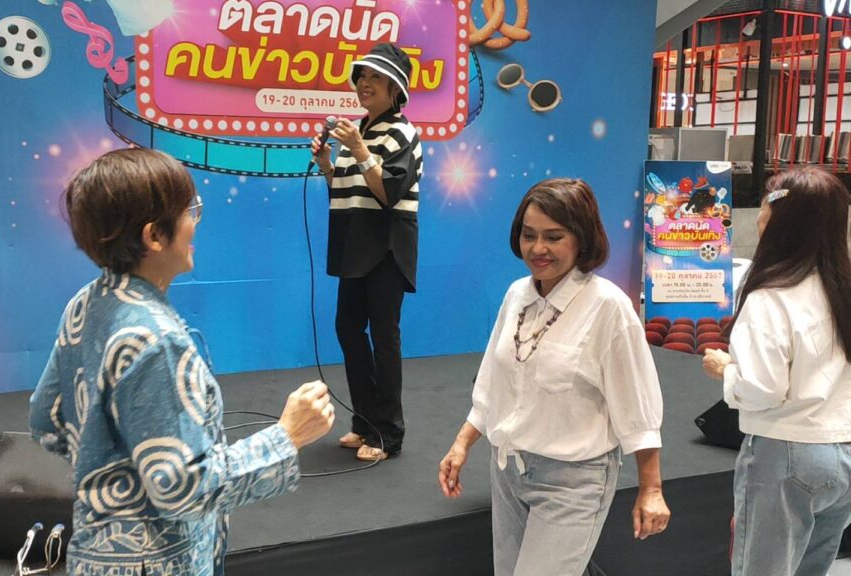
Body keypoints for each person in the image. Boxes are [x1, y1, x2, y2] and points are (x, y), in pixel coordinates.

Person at [29, 148, 335, 576]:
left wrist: (110, 480)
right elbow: (184, 491)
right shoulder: (157, 340)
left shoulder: (85, 303)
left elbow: (46, 419)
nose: (195, 223)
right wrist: (287, 436)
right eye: (189, 211)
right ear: (155, 236)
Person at [438, 178, 671, 574]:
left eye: (553, 236)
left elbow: (638, 407)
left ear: (582, 239)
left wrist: (652, 488)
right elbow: (492, 381)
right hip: (507, 470)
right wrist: (462, 444)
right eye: (529, 235)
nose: (538, 248)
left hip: (573, 482)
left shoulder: (608, 307)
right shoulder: (517, 295)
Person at [702, 165, 851, 576]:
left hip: (786, 454)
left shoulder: (771, 296)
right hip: (842, 450)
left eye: (767, 204)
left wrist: (727, 371)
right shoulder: (841, 289)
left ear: (779, 220)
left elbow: (763, 389)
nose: (760, 213)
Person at [310, 43, 423, 461]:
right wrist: (327, 163)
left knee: (384, 337)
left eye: (375, 77)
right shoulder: (358, 131)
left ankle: (388, 434)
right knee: (348, 328)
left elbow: (387, 193)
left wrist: (358, 150)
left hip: (386, 247)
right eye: (361, 76)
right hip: (356, 244)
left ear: (396, 88)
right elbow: (348, 190)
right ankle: (364, 422)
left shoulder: (402, 133)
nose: (364, 83)